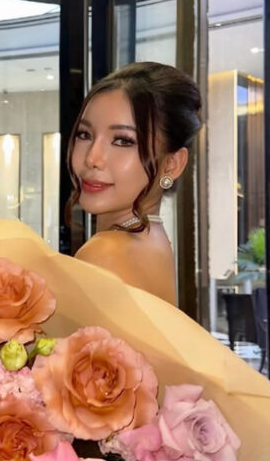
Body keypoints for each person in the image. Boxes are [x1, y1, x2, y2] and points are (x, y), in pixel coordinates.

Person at [68, 61, 202, 304]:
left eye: (122, 141)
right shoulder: (155, 240)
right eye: (84, 134)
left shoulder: (104, 253)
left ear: (172, 164)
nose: (92, 158)